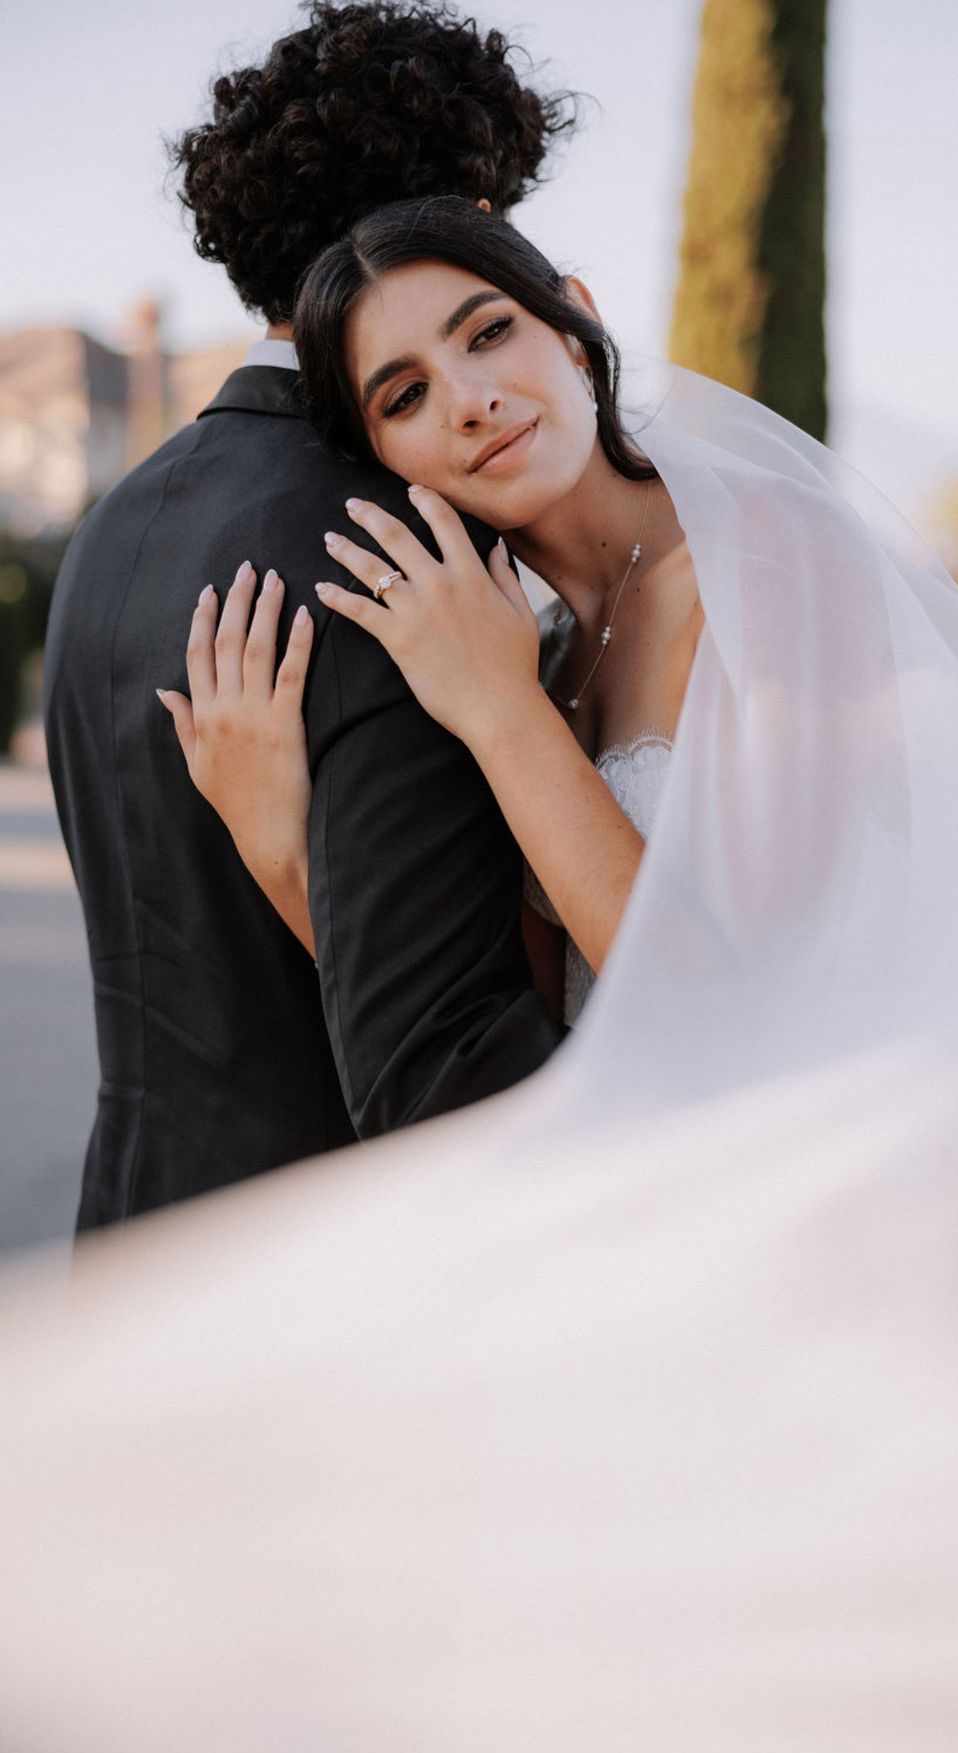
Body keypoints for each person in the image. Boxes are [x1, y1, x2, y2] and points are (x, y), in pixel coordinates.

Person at [6, 199, 958, 1744]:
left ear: (572, 319)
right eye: (405, 395)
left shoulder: (776, 567)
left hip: (843, 1254)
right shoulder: (547, 639)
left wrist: (497, 716)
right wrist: (282, 838)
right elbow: (527, 1006)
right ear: (386, 460)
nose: (471, 399)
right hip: (682, 1253)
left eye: (488, 334)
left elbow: (714, 1003)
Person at [44, 8, 572, 1231]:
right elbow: (455, 1070)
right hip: (336, 1287)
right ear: (454, 225)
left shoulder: (110, 532)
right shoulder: (402, 548)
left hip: (130, 1233)